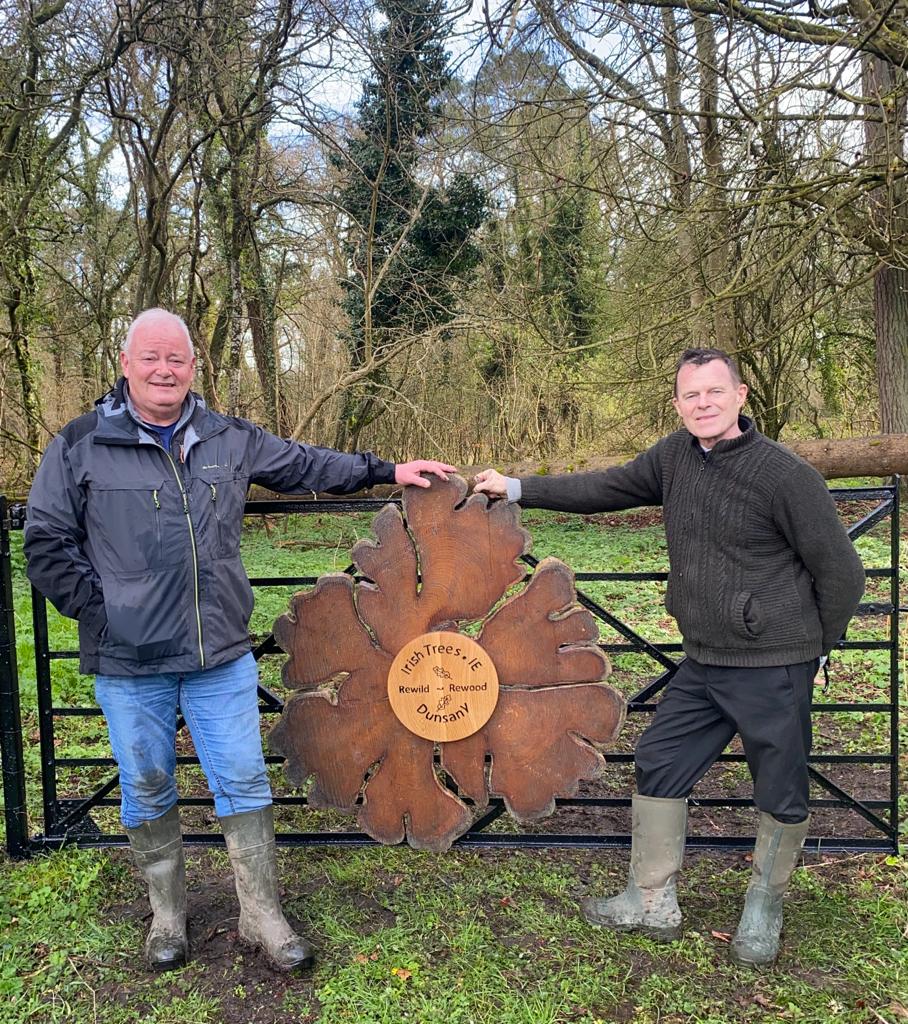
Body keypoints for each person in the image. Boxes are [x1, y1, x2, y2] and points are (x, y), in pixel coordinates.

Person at [24, 307, 455, 974]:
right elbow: (47, 544)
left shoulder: (227, 437)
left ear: (194, 368)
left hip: (216, 653)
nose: (165, 369)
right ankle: (168, 914)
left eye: (178, 358)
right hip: (128, 659)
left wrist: (387, 469)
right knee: (145, 782)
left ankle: (261, 913)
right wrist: (103, 613)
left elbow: (309, 463)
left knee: (243, 778)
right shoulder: (80, 443)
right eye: (152, 357)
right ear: (126, 364)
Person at [473, 347, 865, 966]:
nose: (702, 404)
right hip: (706, 661)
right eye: (689, 395)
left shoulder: (784, 476)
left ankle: (763, 908)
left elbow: (841, 571)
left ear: (740, 396)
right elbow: (603, 487)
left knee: (779, 784)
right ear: (678, 404)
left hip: (773, 663)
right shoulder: (673, 458)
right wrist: (517, 487)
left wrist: (818, 649)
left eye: (714, 392)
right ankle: (651, 899)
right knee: (659, 760)